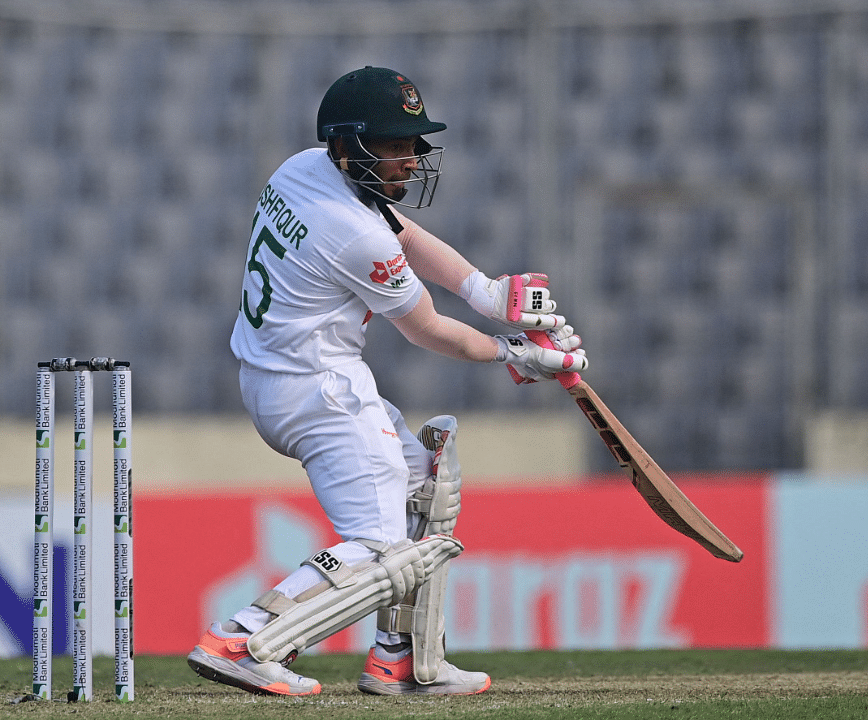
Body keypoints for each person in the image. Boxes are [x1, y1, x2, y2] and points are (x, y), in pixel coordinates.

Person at [185, 66, 587, 697]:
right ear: (345, 145)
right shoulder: (353, 235)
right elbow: (426, 330)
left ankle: (403, 662)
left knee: (427, 488)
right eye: (393, 145)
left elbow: (403, 233)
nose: (409, 158)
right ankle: (243, 638)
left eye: (412, 144)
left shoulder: (302, 169)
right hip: (320, 392)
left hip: (282, 377)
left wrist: (486, 292)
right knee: (381, 550)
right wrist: (514, 353)